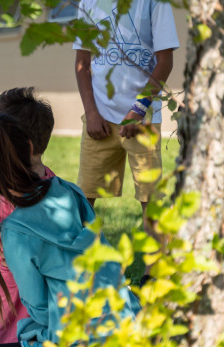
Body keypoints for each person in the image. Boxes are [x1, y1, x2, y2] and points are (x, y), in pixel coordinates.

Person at [0, 113, 140, 347]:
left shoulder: (14, 229)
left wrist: (31, 335)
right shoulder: (69, 191)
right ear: (30, 148)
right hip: (128, 324)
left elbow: (40, 311)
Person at [73, 0, 179, 282]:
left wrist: (139, 109)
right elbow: (82, 63)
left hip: (142, 121)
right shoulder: (88, 2)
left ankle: (154, 275)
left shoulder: (154, 3)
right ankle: (81, 268)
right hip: (99, 121)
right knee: (85, 198)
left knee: (150, 197)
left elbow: (165, 61)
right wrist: (91, 113)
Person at [0, 88, 56, 346]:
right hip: (14, 306)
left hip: (24, 325)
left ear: (24, 147)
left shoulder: (27, 201)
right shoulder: (42, 183)